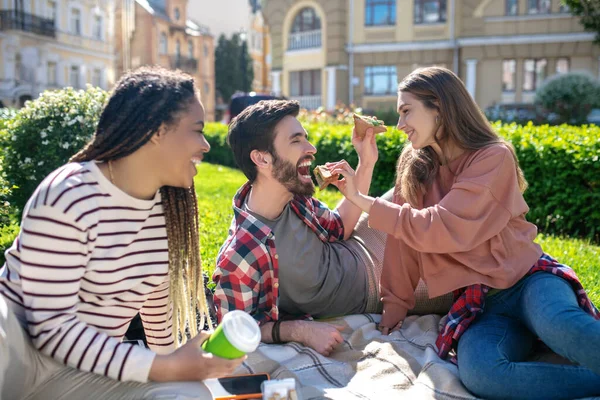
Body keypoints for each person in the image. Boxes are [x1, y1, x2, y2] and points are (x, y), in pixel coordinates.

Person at [328, 66, 600, 400]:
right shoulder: (414, 167)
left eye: (406, 111)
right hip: (482, 302)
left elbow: (441, 226)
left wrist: (359, 198)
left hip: (529, 281)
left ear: (439, 107)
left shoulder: (492, 157)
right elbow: (403, 241)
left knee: (563, 326)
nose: (399, 125)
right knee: (483, 376)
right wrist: (395, 304)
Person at [0, 66, 244, 399]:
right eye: (197, 130)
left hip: (84, 374)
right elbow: (50, 330)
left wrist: (186, 367)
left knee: (190, 394)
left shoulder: (167, 216)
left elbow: (159, 327)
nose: (204, 145)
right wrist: (168, 368)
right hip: (15, 356)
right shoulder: (69, 194)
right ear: (158, 131)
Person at [212, 99, 384, 356]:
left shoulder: (295, 198)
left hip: (367, 243)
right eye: (296, 140)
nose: (312, 148)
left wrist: (366, 162)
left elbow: (341, 228)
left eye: (306, 137)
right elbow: (235, 329)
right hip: (378, 287)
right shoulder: (240, 257)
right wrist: (300, 330)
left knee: (421, 182)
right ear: (262, 159)